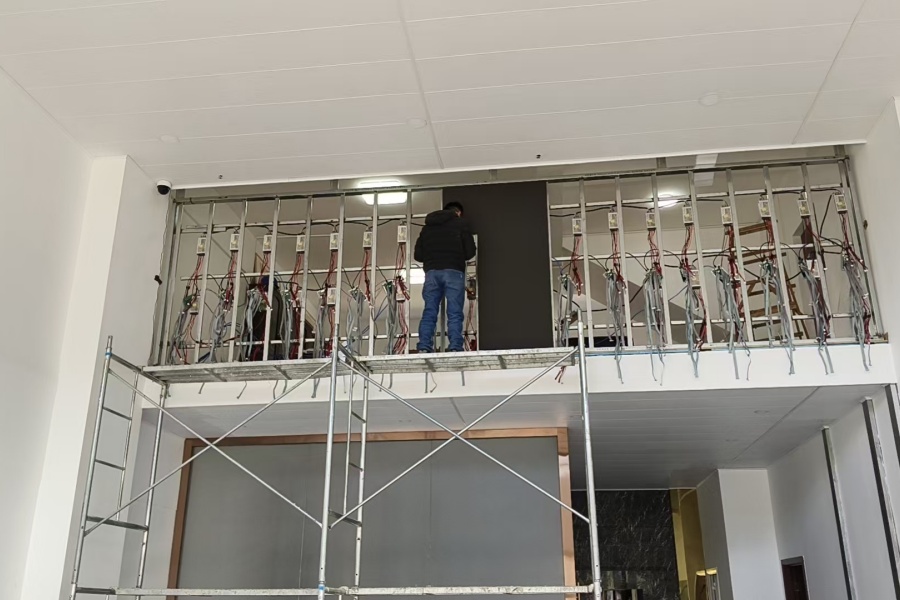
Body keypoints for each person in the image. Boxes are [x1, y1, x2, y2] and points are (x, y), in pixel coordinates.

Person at [414, 201, 477, 353]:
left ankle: (424, 346)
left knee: (429, 311)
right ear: (458, 213)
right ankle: (455, 346)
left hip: (432, 273)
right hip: (454, 271)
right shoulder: (461, 224)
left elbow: (418, 255)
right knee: (454, 312)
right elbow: (470, 252)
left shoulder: (427, 228)